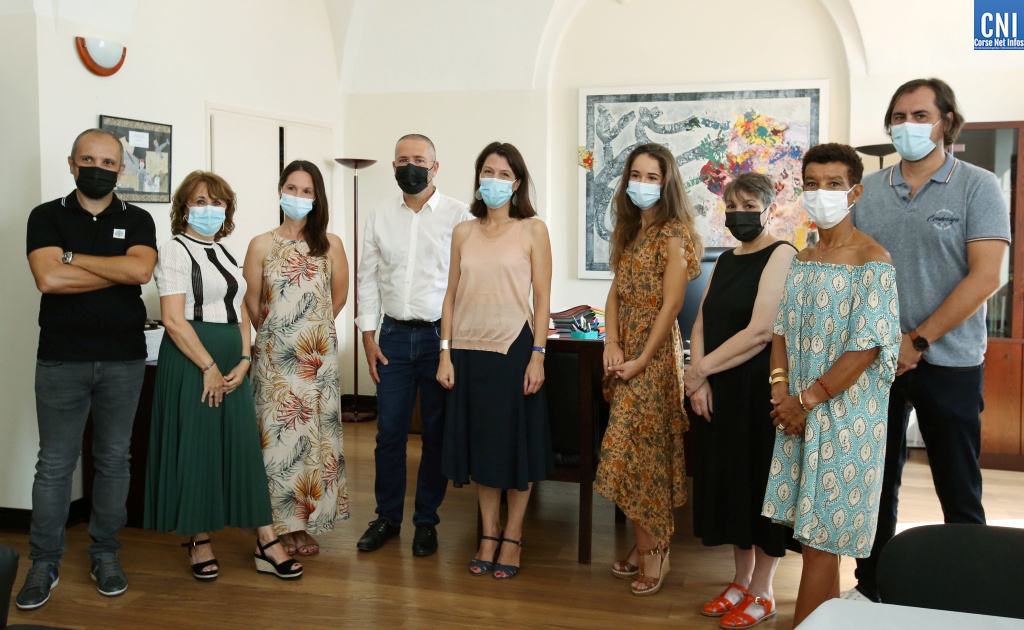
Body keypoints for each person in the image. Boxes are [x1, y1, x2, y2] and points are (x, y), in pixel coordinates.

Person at [845, 78, 1010, 603]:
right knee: (874, 484)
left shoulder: (978, 186)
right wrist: (883, 342)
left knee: (958, 487)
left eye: (919, 115)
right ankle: (872, 588)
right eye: (898, 116)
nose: (906, 126)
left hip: (950, 360)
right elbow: (851, 270)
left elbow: (985, 277)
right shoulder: (867, 193)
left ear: (946, 122)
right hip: (876, 360)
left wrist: (916, 340)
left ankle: (973, 592)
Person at [762, 143, 901, 626]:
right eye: (813, 184)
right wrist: (781, 393)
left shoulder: (872, 260)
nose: (822, 194)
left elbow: (867, 347)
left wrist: (806, 400)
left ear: (856, 191)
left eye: (834, 185)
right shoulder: (804, 256)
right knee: (810, 540)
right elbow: (780, 329)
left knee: (824, 543)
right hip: (798, 413)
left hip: (845, 418)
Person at [19, 129, 157, 610]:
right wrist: (110, 268)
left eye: (108, 161)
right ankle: (43, 561)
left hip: (123, 359)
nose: (98, 168)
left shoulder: (138, 218)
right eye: (88, 159)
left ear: (122, 169)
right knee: (54, 465)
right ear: (72, 163)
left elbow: (140, 273)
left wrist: (73, 257)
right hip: (61, 359)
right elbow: (48, 278)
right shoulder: (46, 216)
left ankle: (105, 553)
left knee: (114, 460)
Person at [145, 171, 302, 581]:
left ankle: (265, 540)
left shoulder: (226, 253)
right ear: (184, 208)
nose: (209, 210)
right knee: (197, 448)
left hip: (232, 364)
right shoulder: (176, 250)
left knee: (242, 451)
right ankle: (199, 540)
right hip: (193, 362)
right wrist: (209, 368)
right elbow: (174, 320)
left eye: (217, 203)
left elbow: (242, 311)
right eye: (200, 202)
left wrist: (246, 359)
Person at [437, 141, 553, 580]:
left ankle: (514, 536)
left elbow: (542, 299)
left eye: (504, 174)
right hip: (467, 352)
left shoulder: (532, 230)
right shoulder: (463, 232)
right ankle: (488, 534)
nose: (495, 180)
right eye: (488, 171)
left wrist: (538, 357)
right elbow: (449, 295)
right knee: (483, 450)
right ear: (477, 178)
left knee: (513, 450)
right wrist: (443, 353)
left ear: (517, 182)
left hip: (514, 350)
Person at [685, 172, 797, 626]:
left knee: (757, 486)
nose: (739, 214)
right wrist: (699, 379)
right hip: (718, 389)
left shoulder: (782, 253)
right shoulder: (727, 258)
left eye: (749, 205)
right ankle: (739, 580)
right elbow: (701, 320)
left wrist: (698, 370)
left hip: (758, 390)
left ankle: (763, 590)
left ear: (769, 208)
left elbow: (760, 331)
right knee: (730, 484)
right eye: (732, 206)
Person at [355, 134, 471, 557]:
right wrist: (368, 336)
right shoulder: (379, 216)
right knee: (388, 434)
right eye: (403, 159)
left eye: (419, 160)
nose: (411, 166)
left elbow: (467, 283)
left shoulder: (462, 216)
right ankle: (387, 517)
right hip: (393, 335)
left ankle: (426, 520)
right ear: (393, 166)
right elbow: (366, 278)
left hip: (441, 337)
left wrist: (452, 345)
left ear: (435, 167)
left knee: (436, 434)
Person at [596, 143, 703, 597]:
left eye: (651, 177)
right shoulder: (629, 230)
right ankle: (648, 544)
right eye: (635, 175)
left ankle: (653, 551)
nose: (641, 184)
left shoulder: (674, 233)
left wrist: (641, 357)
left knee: (638, 454)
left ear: (667, 183)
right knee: (633, 455)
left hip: (655, 357)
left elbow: (673, 304)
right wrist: (614, 342)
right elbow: (614, 295)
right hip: (627, 352)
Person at [243, 160, 349, 556]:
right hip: (274, 361)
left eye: (307, 191)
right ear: (279, 190)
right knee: (279, 442)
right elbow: (252, 302)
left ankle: (305, 524)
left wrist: (309, 333)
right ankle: (277, 528)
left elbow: (337, 298)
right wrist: (277, 336)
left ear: (317, 197)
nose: (299, 197)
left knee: (314, 442)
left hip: (318, 362)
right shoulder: (261, 244)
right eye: (292, 188)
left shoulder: (331, 244)